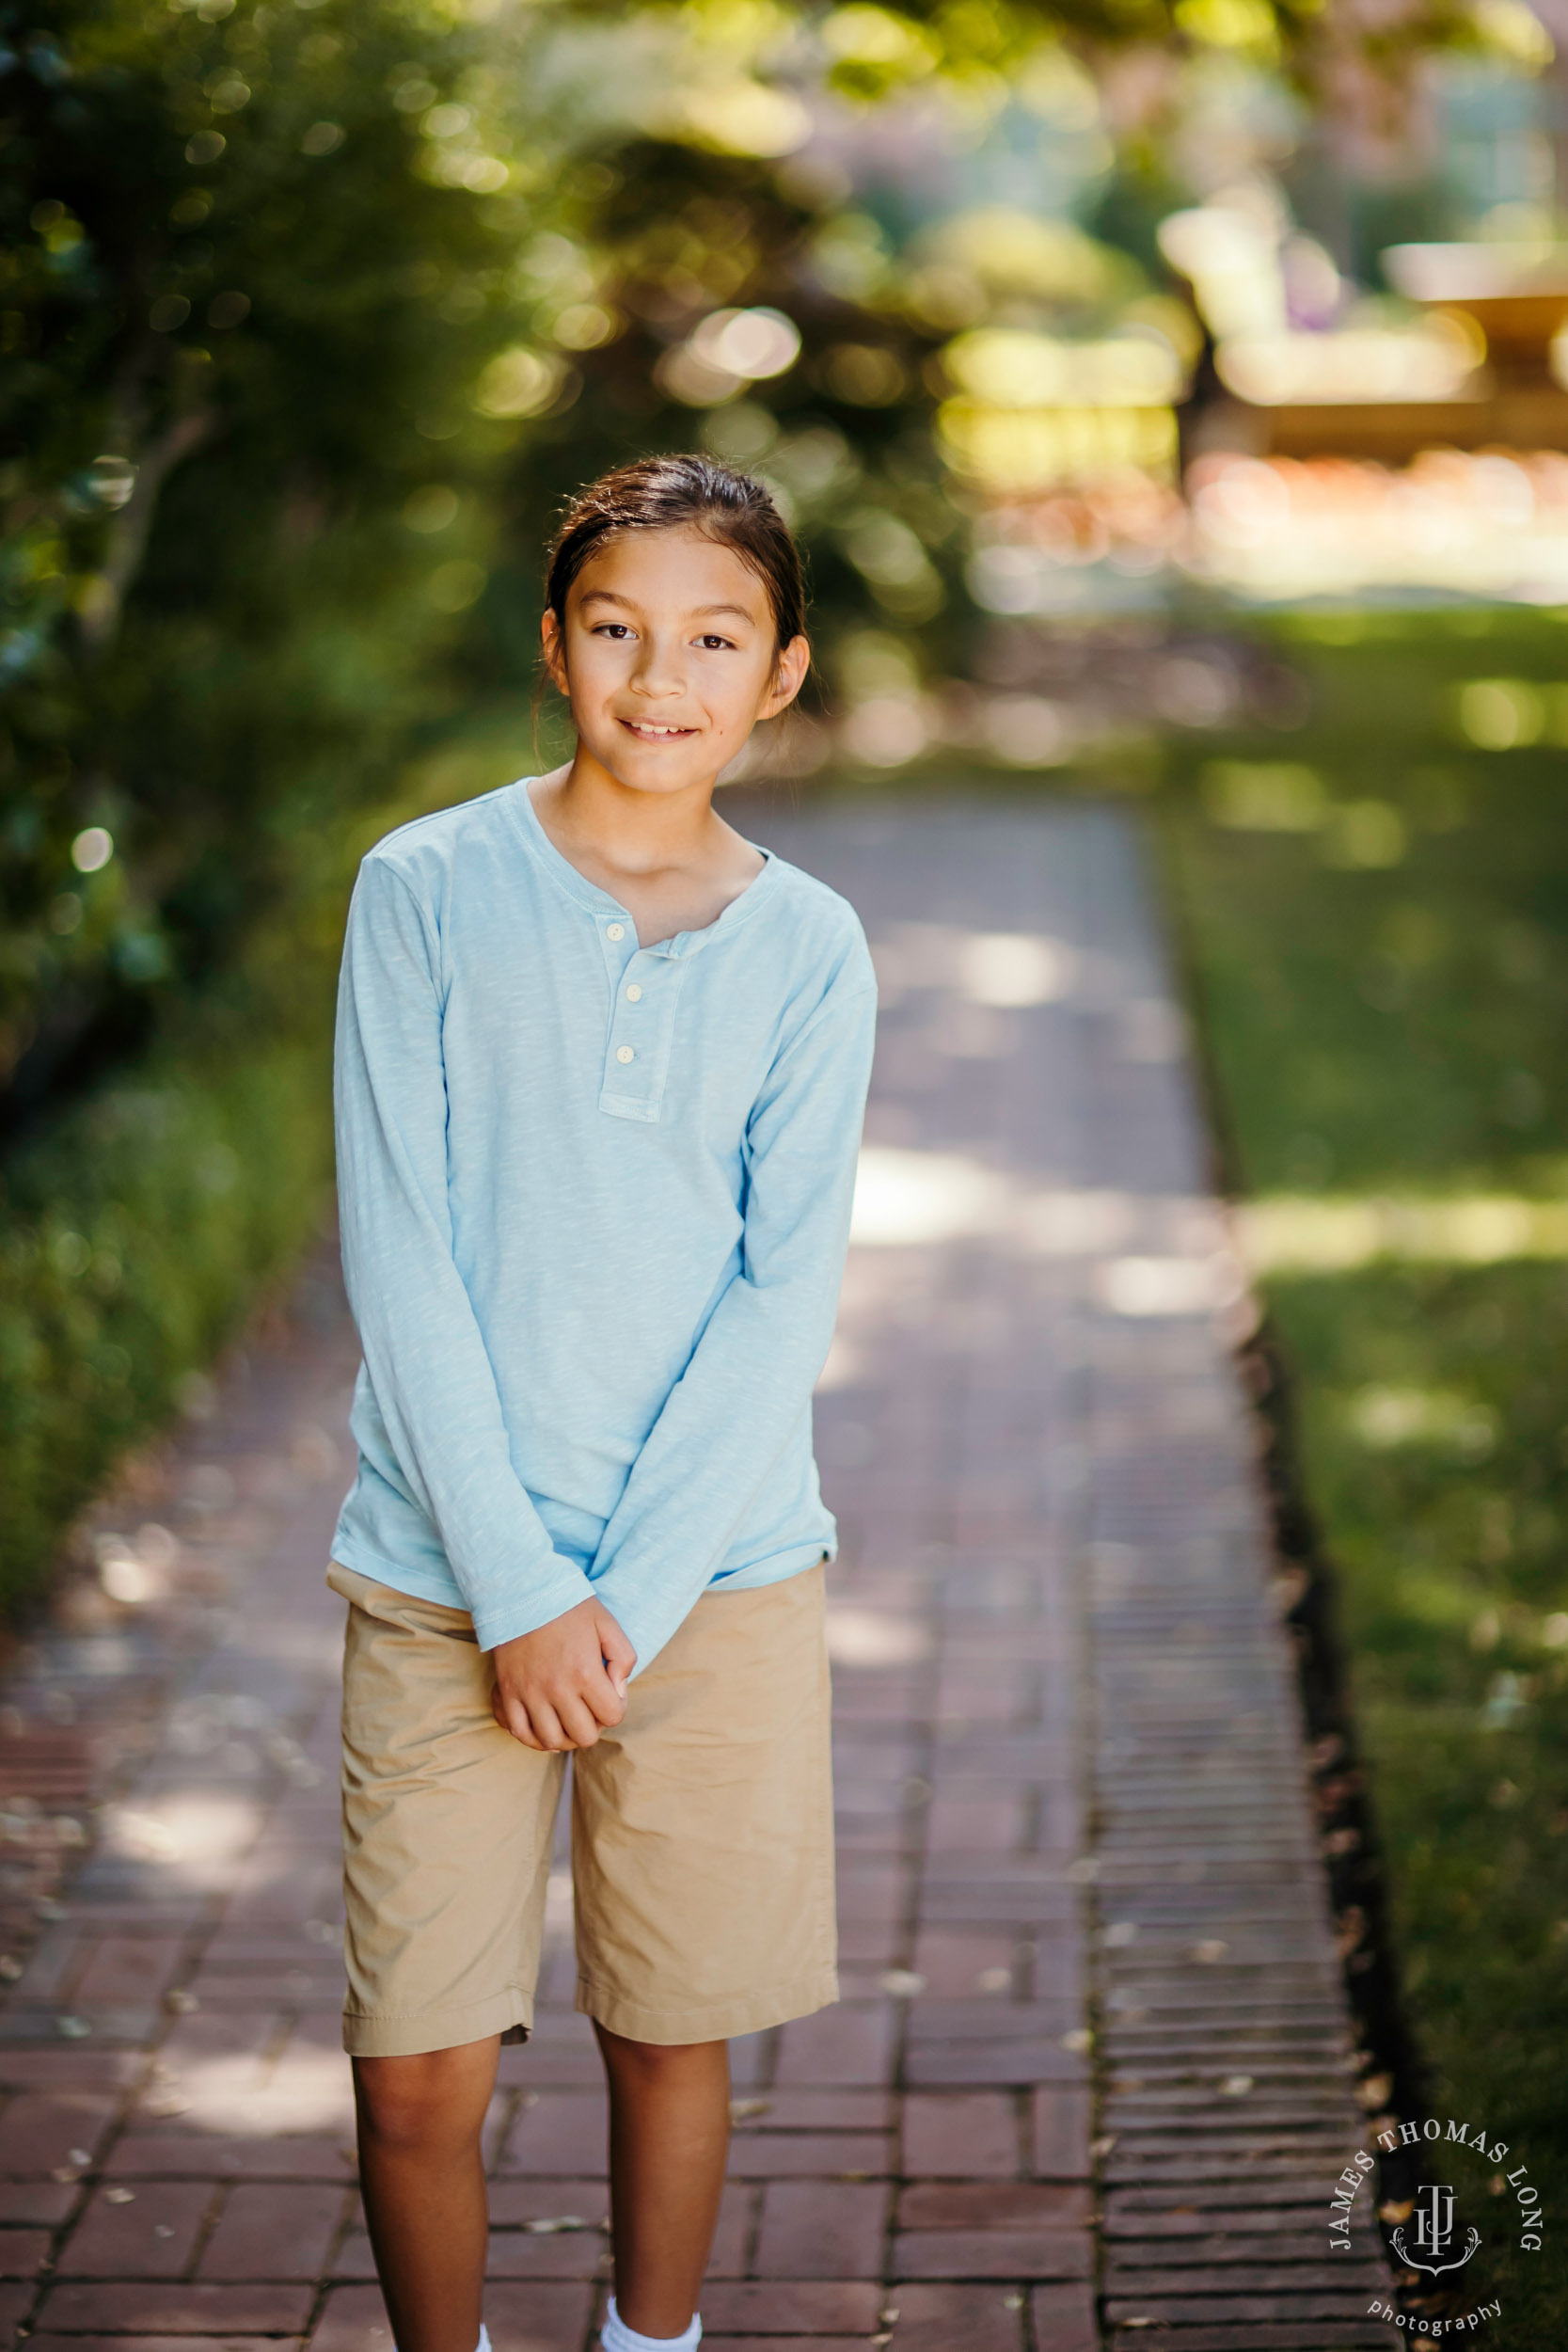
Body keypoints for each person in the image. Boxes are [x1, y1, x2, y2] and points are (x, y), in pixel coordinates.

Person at [326, 454, 878, 2352]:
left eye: (716, 638)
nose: (664, 676)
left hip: (711, 1588)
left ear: (781, 670)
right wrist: (516, 1585)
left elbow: (774, 1295)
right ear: (555, 643)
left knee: (670, 2032)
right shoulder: (424, 890)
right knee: (414, 2073)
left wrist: (618, 1605)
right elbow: (401, 1253)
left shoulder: (809, 947)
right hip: (443, 1573)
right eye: (620, 629)